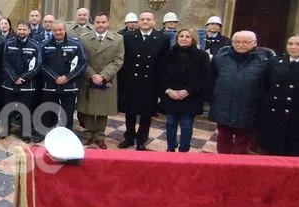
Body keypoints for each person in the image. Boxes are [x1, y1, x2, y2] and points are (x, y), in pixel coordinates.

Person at [207, 30, 271, 154]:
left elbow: (266, 87)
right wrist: (213, 99)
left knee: (242, 143)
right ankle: (222, 166)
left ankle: (237, 170)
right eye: (237, 41)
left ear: (255, 43)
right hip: (223, 107)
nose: (241, 45)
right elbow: (211, 80)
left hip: (248, 110)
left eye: (246, 42)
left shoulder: (264, 62)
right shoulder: (220, 58)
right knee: (223, 139)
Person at [117, 12, 169, 150]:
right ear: (138, 21)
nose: (145, 21)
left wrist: (161, 87)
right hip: (130, 81)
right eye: (142, 19)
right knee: (130, 113)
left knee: (146, 115)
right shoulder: (127, 37)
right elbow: (124, 61)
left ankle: (141, 140)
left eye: (148, 19)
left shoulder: (162, 38)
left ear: (154, 21)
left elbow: (163, 64)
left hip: (150, 83)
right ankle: (129, 138)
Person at [256, 33, 299, 157]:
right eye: (290, 44)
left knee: (294, 156)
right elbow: (265, 86)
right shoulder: (275, 62)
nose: (293, 47)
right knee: (271, 153)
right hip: (274, 116)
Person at [157, 29, 210, 152]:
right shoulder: (167, 54)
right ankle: (170, 148)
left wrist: (187, 91)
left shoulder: (201, 56)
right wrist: (168, 91)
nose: (184, 38)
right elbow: (160, 75)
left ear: (193, 39)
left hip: (191, 97)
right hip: (171, 96)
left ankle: (184, 151)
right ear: (177, 38)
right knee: (170, 124)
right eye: (181, 36)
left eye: (188, 36)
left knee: (186, 126)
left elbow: (204, 77)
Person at [77, 13, 124, 148]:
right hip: (88, 79)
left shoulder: (117, 39)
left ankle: (100, 136)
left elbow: (118, 60)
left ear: (108, 23)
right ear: (94, 23)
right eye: (98, 22)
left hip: (107, 79)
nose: (100, 25)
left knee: (103, 110)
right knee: (88, 109)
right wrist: (92, 75)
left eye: (103, 22)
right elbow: (81, 60)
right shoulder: (84, 39)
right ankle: (88, 134)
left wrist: (103, 76)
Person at [38, 20, 87, 133]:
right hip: (50, 84)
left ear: (65, 30)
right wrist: (55, 77)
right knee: (49, 111)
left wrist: (67, 77)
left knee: (67, 113)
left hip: (69, 85)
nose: (58, 32)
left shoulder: (76, 45)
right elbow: (41, 64)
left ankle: (66, 135)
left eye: (60, 30)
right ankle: (47, 133)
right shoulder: (44, 45)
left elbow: (82, 64)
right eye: (55, 30)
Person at [0, 20, 39, 141]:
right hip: (10, 83)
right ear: (17, 30)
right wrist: (14, 78)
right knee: (8, 107)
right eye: (20, 29)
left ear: (29, 31)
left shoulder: (35, 45)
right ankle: (6, 129)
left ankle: (25, 132)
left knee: (25, 108)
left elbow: (38, 65)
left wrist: (23, 78)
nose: (21, 31)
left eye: (24, 29)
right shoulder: (9, 43)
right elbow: (5, 62)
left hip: (27, 84)